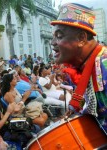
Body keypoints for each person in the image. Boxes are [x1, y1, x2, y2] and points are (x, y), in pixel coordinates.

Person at [51, 3, 107, 132]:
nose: (52, 42)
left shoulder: (104, 65)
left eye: (59, 36)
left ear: (81, 39)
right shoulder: (85, 64)